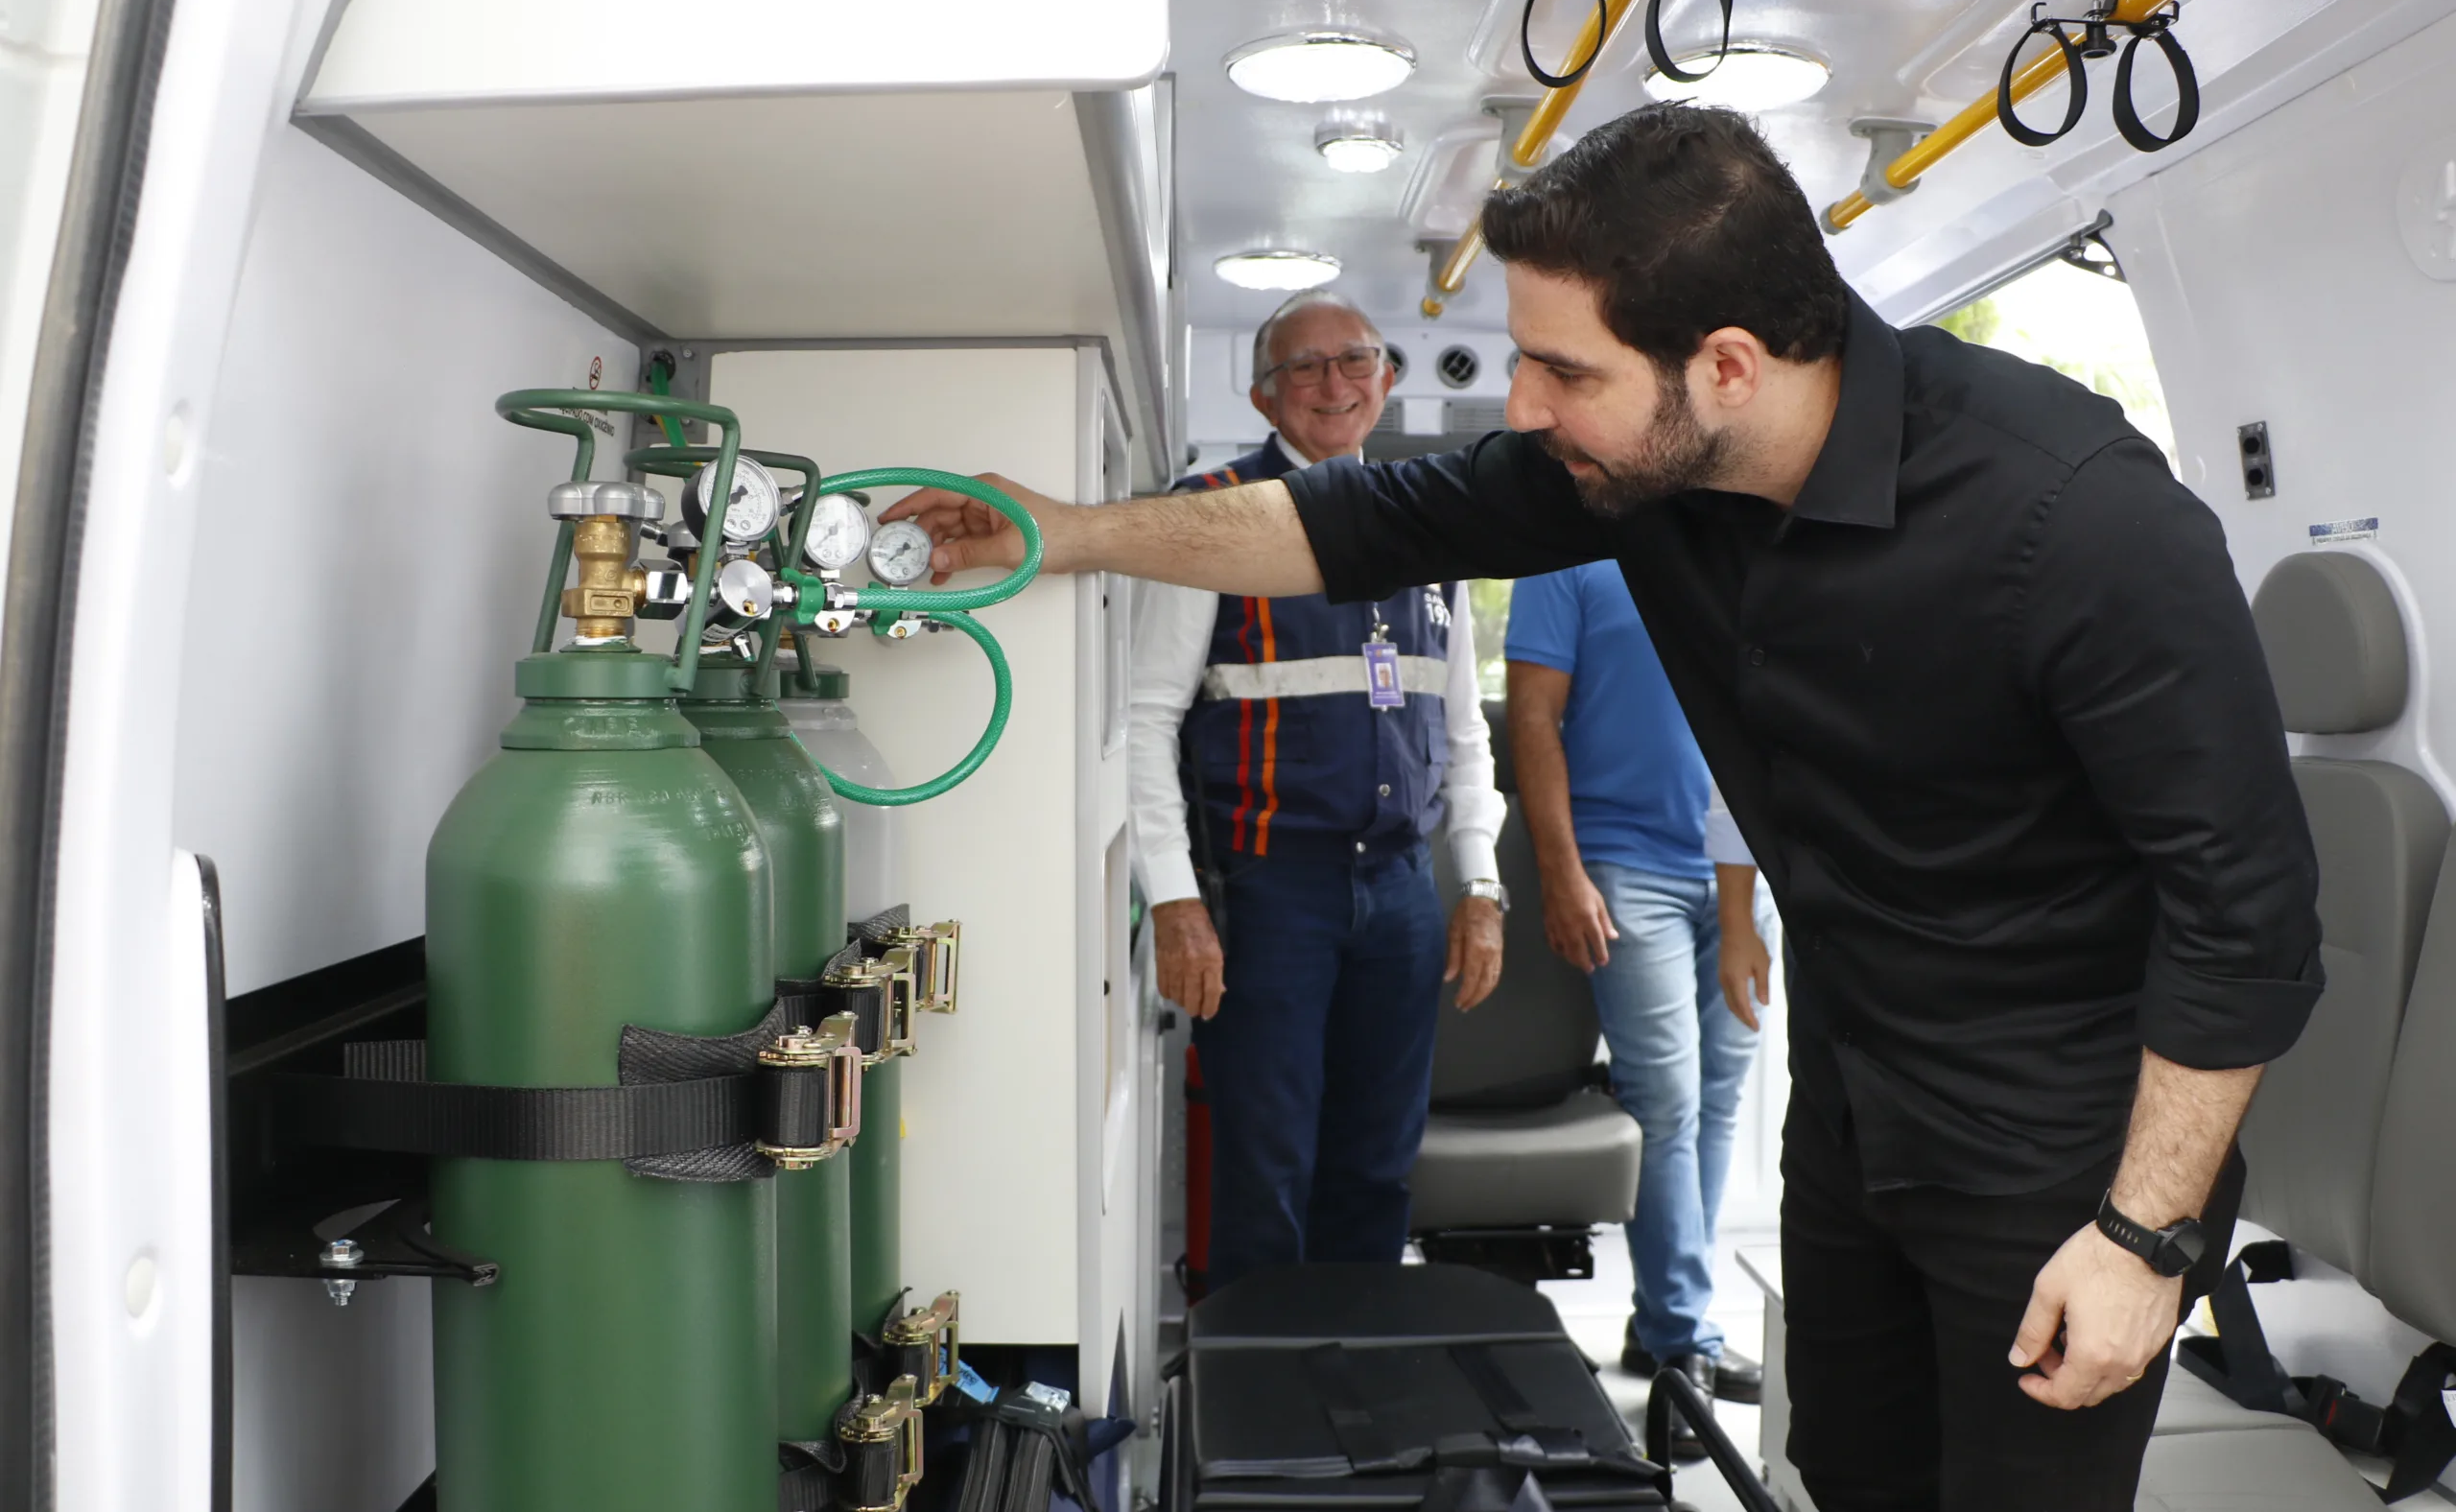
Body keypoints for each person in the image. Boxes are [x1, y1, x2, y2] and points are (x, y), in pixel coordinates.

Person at [883, 103, 2321, 1512]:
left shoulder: (2077, 515)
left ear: (1729, 366)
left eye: (1561, 371)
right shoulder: (1646, 471)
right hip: (1853, 1096)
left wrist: (2145, 1232)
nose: (1523, 406)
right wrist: (1067, 532)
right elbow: (1351, 522)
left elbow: (2247, 912)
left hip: (2058, 1139)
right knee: (1861, 1473)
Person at [1127, 289, 1507, 1292]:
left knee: (1378, 1166)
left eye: (1354, 361)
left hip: (1400, 892)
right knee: (1267, 1167)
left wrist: (1479, 885)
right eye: (1303, 367)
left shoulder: (1433, 522)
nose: (1332, 384)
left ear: (1385, 381)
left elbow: (1464, 730)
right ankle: (1263, 1409)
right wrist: (1173, 899)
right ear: (1262, 398)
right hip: (1266, 894)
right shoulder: (1208, 517)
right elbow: (1145, 721)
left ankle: (1363, 1386)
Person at [1505, 560, 1771, 1456]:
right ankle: (1680, 1339)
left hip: (1738, 868)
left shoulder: (1731, 537)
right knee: (1667, 1103)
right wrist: (1560, 867)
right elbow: (1534, 716)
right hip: (1624, 865)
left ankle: (1663, 1317)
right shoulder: (1564, 557)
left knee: (1722, 1097)